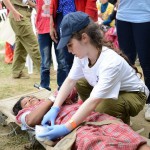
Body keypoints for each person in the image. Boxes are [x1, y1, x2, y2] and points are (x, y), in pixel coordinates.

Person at [39, 11, 149, 141]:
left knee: (106, 106)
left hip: (134, 94)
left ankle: (122, 124)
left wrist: (67, 127)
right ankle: (100, 114)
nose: (69, 50)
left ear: (84, 38)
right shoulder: (82, 56)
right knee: (80, 82)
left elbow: (93, 101)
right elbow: (69, 81)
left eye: (70, 44)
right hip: (115, 89)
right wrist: (55, 108)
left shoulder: (110, 62)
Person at [13, 95, 150, 150]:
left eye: (32, 97)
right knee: (97, 144)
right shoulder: (25, 114)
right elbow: (31, 120)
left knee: (129, 136)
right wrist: (53, 99)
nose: (32, 100)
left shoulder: (56, 97)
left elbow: (71, 89)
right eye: (27, 102)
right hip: (73, 129)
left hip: (93, 116)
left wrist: (57, 97)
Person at [49, 0, 98, 89]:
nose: (69, 50)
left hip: (80, 18)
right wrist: (51, 22)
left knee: (86, 58)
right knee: (68, 60)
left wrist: (87, 21)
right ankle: (73, 91)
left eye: (70, 45)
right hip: (62, 16)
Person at [116, 0, 150, 121]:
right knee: (125, 62)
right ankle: (126, 107)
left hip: (145, 16)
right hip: (123, 15)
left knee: (147, 62)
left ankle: (149, 102)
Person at [2, 0, 41, 79]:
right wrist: (14, 11)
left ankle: (17, 71)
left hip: (23, 13)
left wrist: (34, 5)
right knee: (33, 44)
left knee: (21, 47)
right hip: (18, 13)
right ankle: (45, 70)